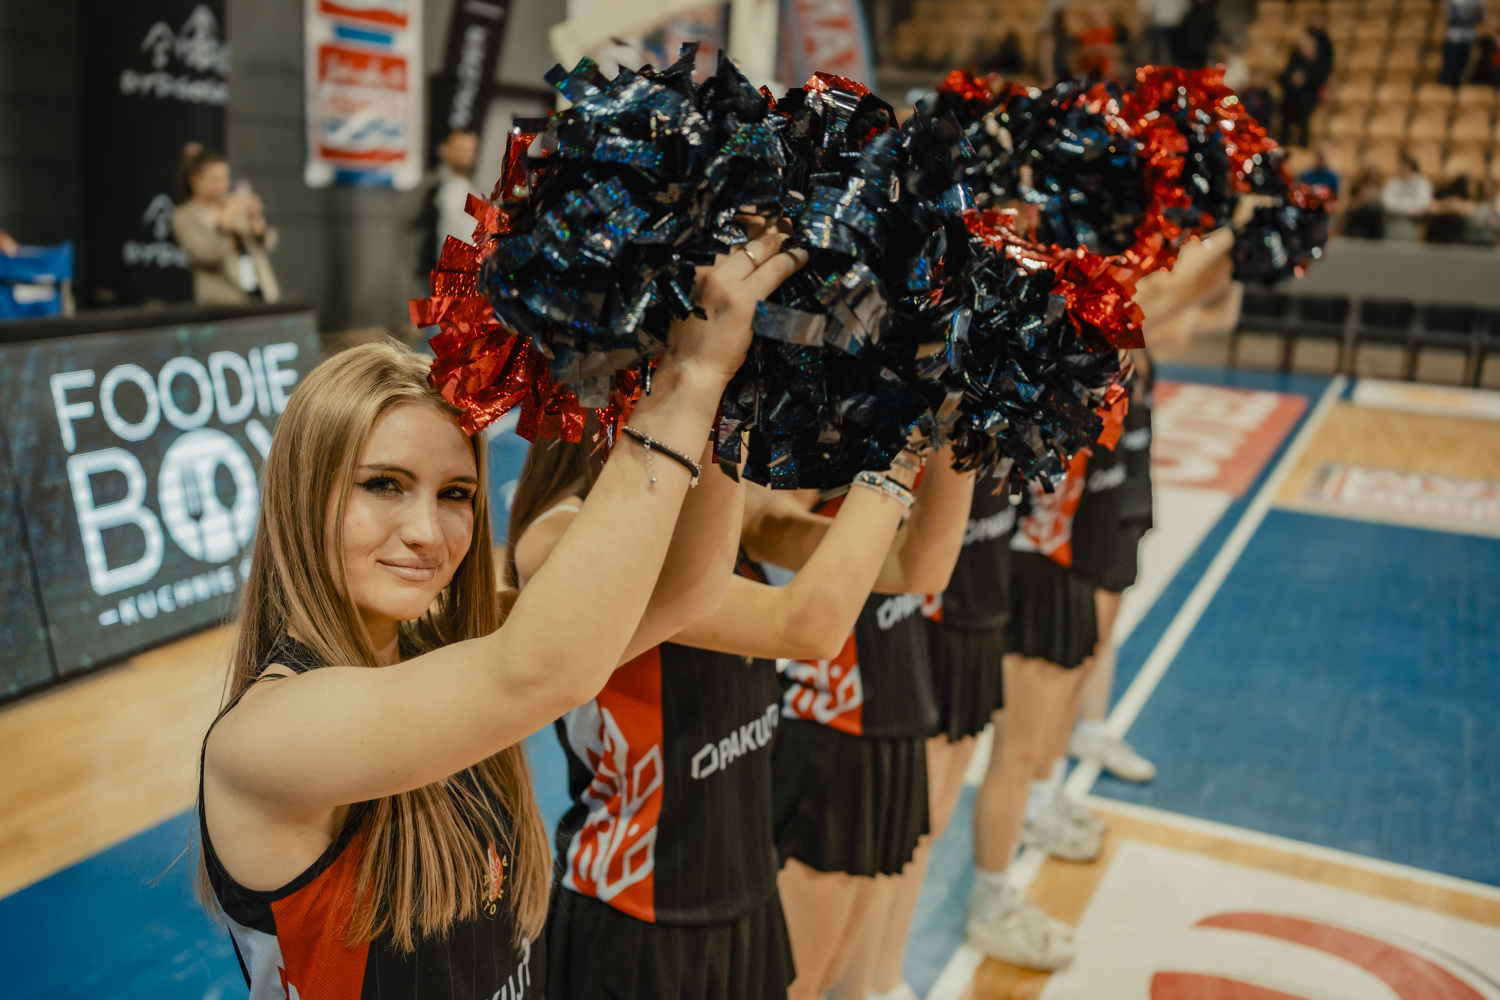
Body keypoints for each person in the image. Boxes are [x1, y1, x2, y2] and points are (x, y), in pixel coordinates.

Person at [194, 224, 808, 995]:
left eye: (455, 494)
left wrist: (729, 396)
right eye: (383, 485)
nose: (426, 532)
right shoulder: (266, 735)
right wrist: (684, 381)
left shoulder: (451, 648)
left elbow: (688, 589)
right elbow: (543, 671)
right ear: (302, 493)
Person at [507, 423, 934, 996]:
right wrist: (900, 443)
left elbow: (916, 566)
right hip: (636, 910)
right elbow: (807, 626)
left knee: (827, 974)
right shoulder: (558, 538)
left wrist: (964, 423)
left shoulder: (727, 511)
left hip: (746, 890)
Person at [770, 456, 976, 1000]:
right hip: (829, 718)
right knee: (802, 979)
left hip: (893, 704)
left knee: (836, 968)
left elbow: (924, 568)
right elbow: (769, 517)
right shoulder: (823, 439)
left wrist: (959, 437)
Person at [861, 467, 1017, 998]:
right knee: (902, 828)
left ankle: (887, 976)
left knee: (931, 823)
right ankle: (867, 985)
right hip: (927, 616)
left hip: (977, 601)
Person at [1069, 363, 1158, 784]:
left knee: (1104, 627)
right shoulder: (1111, 333)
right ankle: (1046, 782)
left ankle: (1091, 727)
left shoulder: (1134, 341)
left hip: (1128, 478)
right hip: (1098, 490)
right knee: (1084, 636)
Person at [172, 145, 280, 304]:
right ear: (196, 181)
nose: (223, 184)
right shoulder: (185, 216)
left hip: (259, 294)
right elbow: (206, 255)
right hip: (220, 301)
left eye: (225, 177)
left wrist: (258, 229)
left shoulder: (233, 203)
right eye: (215, 179)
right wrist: (222, 227)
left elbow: (267, 245)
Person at [417, 129, 485, 277]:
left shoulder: (467, 187)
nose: (467, 156)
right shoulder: (434, 187)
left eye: (471, 150)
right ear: (444, 150)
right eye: (461, 149)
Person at [1279, 31, 1324, 148]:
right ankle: (1284, 141)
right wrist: (1292, 79)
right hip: (1292, 97)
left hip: (1308, 98)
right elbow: (1283, 77)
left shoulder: (1318, 63)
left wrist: (1305, 80)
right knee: (1286, 106)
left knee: (1302, 108)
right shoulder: (1295, 60)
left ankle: (1303, 144)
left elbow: (1319, 81)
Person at [1381, 153, 1434, 241]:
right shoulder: (1392, 182)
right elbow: (1387, 203)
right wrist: (1409, 208)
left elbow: (1421, 207)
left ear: (1412, 168)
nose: (1401, 170)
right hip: (1393, 221)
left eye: (1405, 167)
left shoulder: (1422, 183)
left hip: (1413, 223)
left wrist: (1398, 204)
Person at [1442, 0, 1487, 88]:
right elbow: (1451, 16)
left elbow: (1481, 19)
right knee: (1450, 71)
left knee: (1462, 74)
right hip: (1454, 39)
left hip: (1468, 39)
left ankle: (1456, 92)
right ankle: (1445, 93)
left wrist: (1478, 9)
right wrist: (1470, 12)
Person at [1426, 174, 1476, 244]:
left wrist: (1445, 205)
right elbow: (1432, 208)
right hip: (1437, 233)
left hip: (1456, 237)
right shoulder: (1442, 193)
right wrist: (1452, 206)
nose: (1472, 188)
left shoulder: (1467, 199)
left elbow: (1470, 210)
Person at [1137, 0, 1189, 65]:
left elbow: (1145, 9)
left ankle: (1156, 66)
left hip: (1161, 25)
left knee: (1158, 53)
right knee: (1174, 54)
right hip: (1176, 25)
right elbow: (1186, 7)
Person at [1172, 0, 1219, 69]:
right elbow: (1181, 32)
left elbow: (1212, 32)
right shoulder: (1191, 14)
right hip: (1187, 52)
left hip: (1197, 53)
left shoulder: (1208, 14)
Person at [1078, 5, 1122, 79]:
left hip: (1105, 69)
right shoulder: (1085, 33)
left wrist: (1105, 49)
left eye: (1099, 16)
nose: (1096, 19)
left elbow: (1115, 51)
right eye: (1094, 17)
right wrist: (1094, 49)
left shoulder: (1109, 31)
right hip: (1089, 69)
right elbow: (1082, 52)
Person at [1344, 165, 1386, 239]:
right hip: (1359, 225)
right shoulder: (1357, 187)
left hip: (1375, 229)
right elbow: (1350, 207)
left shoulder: (1382, 189)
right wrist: (1364, 198)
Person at [1463, 176, 1500, 244]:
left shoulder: (1497, 203)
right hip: (1472, 240)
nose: (1487, 189)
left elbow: (1496, 224)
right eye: (1484, 187)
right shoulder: (1474, 203)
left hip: (1488, 241)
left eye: (1489, 187)